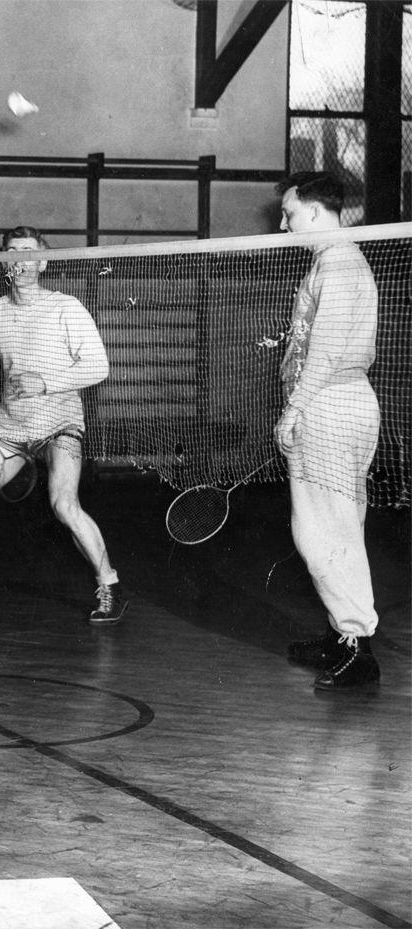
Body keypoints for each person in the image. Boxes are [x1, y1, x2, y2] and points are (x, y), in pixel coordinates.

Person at [0, 226, 126, 625]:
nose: (20, 259)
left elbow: (98, 367)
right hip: (12, 432)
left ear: (44, 262)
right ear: (4, 262)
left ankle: (110, 585)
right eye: (13, 252)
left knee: (64, 505)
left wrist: (46, 382)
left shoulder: (66, 307)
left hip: (60, 427)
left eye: (29, 252)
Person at [275, 172, 381, 692]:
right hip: (340, 404)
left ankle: (358, 649)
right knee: (336, 527)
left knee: (322, 533)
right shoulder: (331, 263)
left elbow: (325, 355)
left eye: (290, 213)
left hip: (330, 405)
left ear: (315, 212)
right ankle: (342, 635)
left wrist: (292, 410)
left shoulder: (338, 267)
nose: (283, 222)